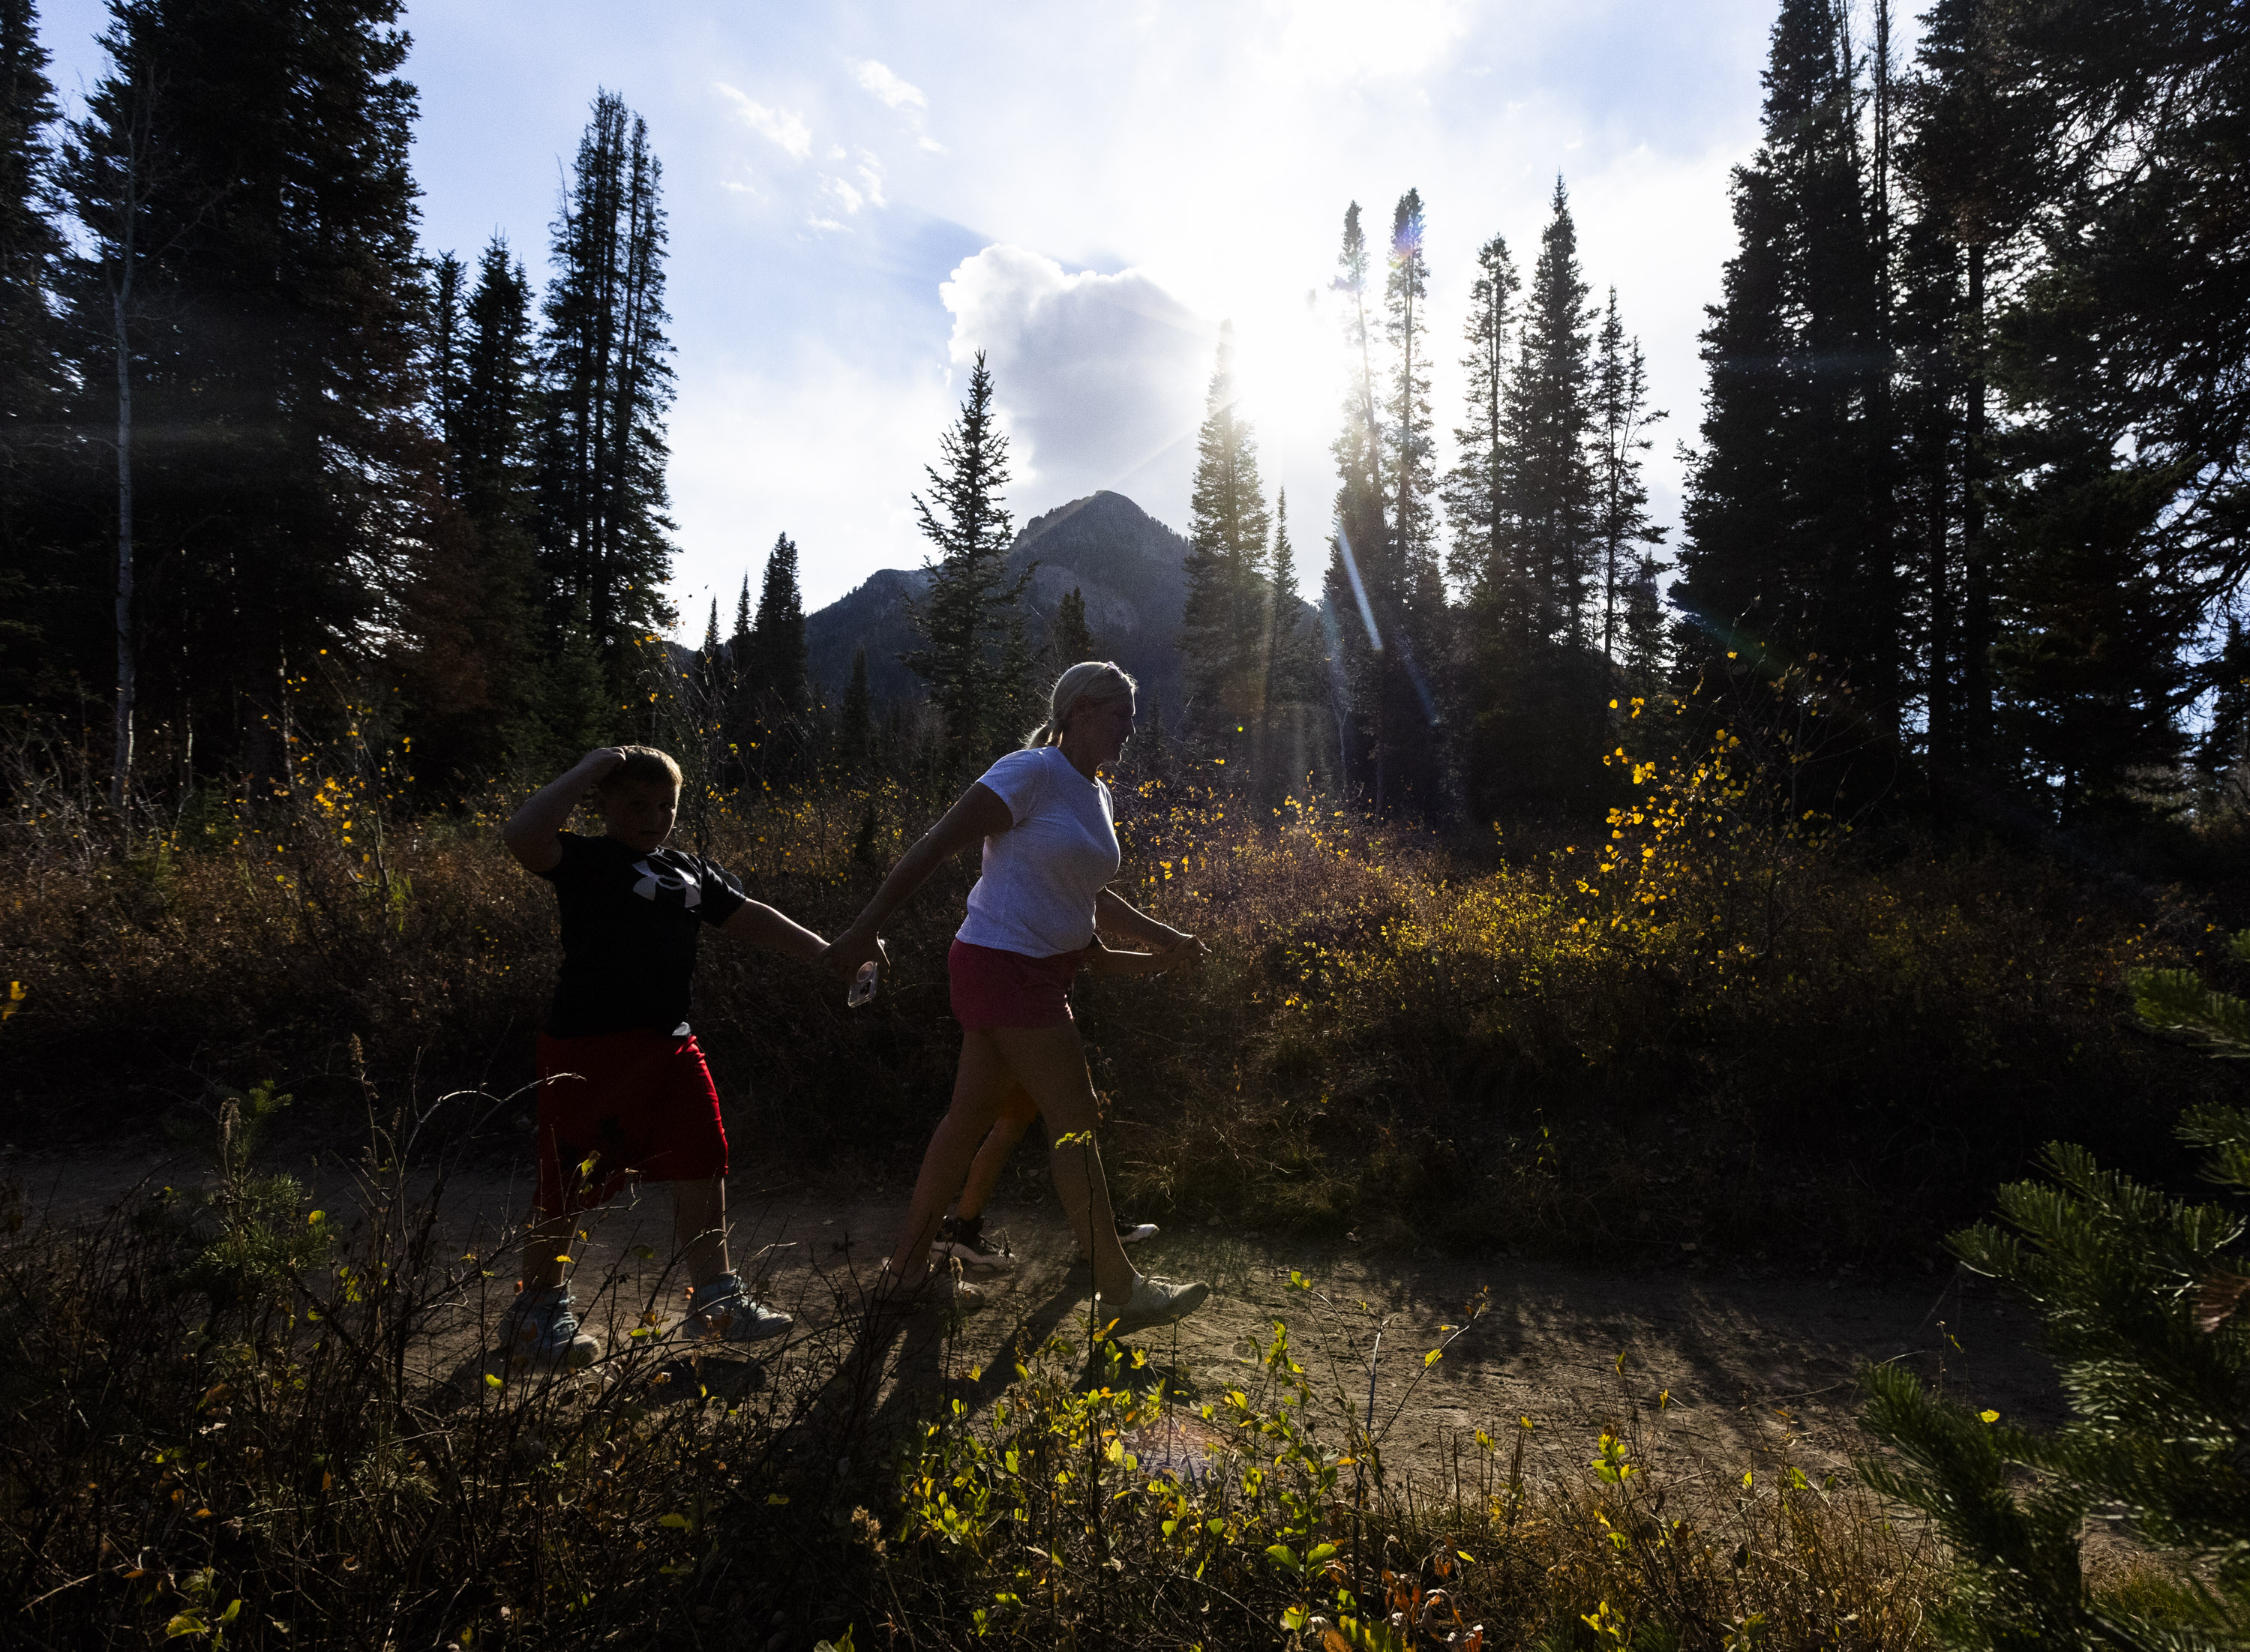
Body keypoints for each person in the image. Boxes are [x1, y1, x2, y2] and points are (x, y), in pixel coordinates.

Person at [826, 662, 1211, 1336]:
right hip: (1005, 964)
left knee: (968, 1119)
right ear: (1083, 711)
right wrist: (868, 923)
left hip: (1035, 970)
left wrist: (1164, 936)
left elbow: (1089, 892)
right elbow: (938, 841)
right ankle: (1119, 1286)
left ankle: (905, 1273)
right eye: (1121, 712)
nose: (1130, 728)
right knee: (1074, 1115)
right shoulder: (1030, 771)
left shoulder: (1096, 795)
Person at [500, 745, 836, 1369]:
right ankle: (537, 1312)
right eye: (637, 804)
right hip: (588, 1046)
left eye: (666, 806)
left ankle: (714, 1298)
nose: (655, 817)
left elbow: (747, 916)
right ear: (602, 801)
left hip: (671, 1043)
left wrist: (824, 951)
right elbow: (522, 834)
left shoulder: (688, 869)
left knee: (703, 1156)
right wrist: (591, 764)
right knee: (571, 1179)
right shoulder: (583, 859)